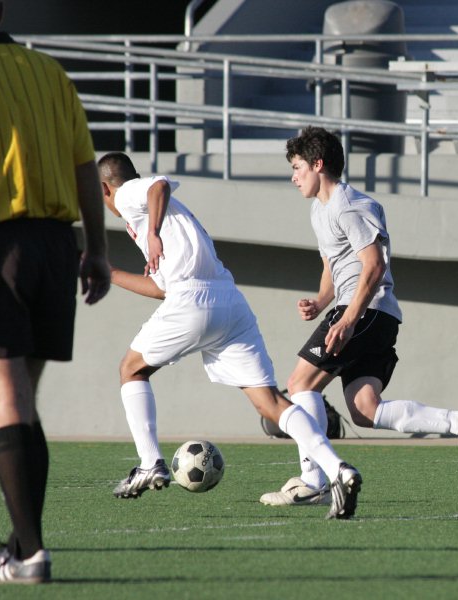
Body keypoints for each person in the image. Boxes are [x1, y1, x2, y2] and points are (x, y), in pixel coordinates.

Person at [0, 0, 112, 584]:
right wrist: (99, 250)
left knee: (6, 404)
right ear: (1, 10)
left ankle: (30, 554)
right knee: (25, 403)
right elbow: (87, 167)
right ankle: (19, 542)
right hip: (56, 247)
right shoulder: (48, 72)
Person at [97, 152, 361, 520]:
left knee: (130, 370)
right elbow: (160, 287)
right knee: (269, 401)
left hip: (193, 298)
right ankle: (338, 470)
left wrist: (153, 234)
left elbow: (158, 185)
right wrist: (109, 273)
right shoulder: (157, 218)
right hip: (228, 302)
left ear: (104, 189)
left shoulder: (127, 196)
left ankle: (149, 464)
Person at [260, 126, 458, 508]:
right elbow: (334, 264)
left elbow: (372, 267)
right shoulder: (319, 210)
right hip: (364, 313)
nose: (293, 176)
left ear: (318, 165)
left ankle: (314, 480)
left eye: (298, 167)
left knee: (300, 383)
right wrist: (321, 301)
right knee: (365, 410)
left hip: (365, 311)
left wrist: (348, 319)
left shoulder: (350, 205)